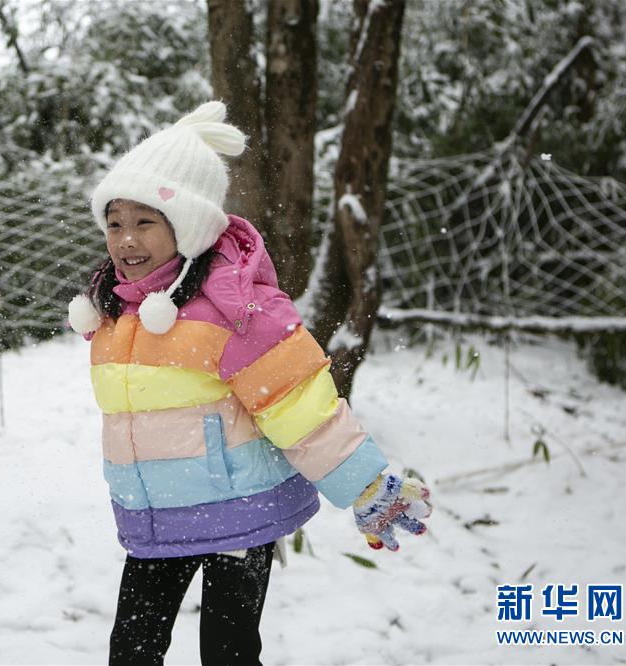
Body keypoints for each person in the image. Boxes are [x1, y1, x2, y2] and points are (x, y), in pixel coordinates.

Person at [68, 101, 432, 666]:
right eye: (114, 223)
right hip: (156, 516)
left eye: (145, 222)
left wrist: (364, 484)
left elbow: (298, 402)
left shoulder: (234, 307)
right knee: (132, 651)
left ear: (186, 227)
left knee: (229, 653)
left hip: (238, 515)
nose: (126, 240)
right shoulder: (117, 311)